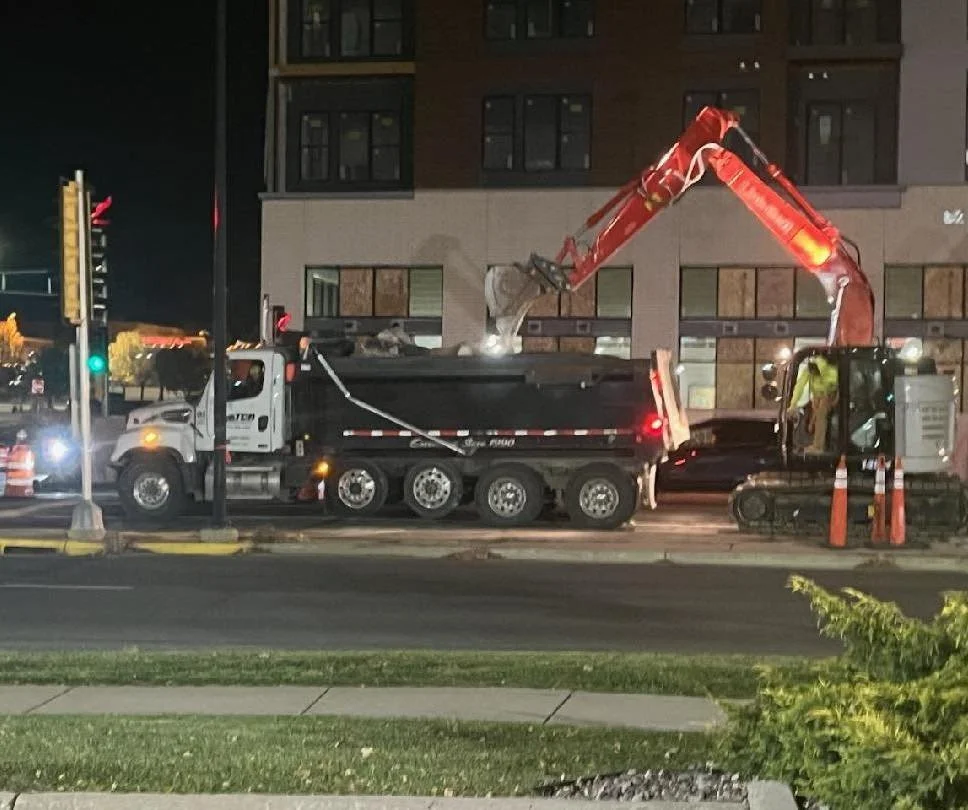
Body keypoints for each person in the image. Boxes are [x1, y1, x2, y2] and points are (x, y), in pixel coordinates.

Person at [787, 355, 838, 454]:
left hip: (830, 394)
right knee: (814, 417)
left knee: (821, 415)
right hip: (817, 395)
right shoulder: (809, 369)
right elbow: (799, 386)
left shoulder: (830, 370)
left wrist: (826, 397)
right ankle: (815, 442)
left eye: (814, 373)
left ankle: (818, 447)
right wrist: (793, 405)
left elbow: (834, 384)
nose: (812, 375)